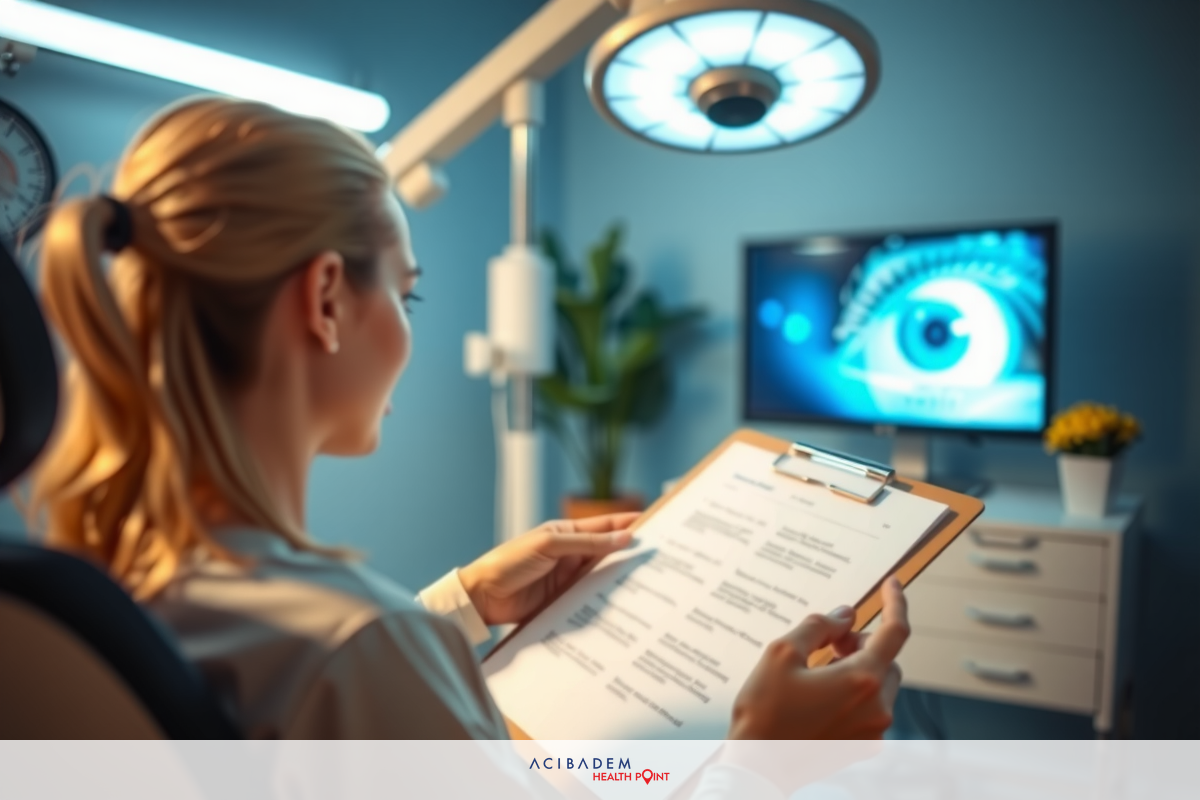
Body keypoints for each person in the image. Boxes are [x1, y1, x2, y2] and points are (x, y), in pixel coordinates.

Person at [26, 98, 908, 749]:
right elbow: (347, 671)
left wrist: (462, 603)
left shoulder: (100, 578)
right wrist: (761, 763)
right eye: (408, 293)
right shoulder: (357, 645)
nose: (409, 330)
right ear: (326, 298)